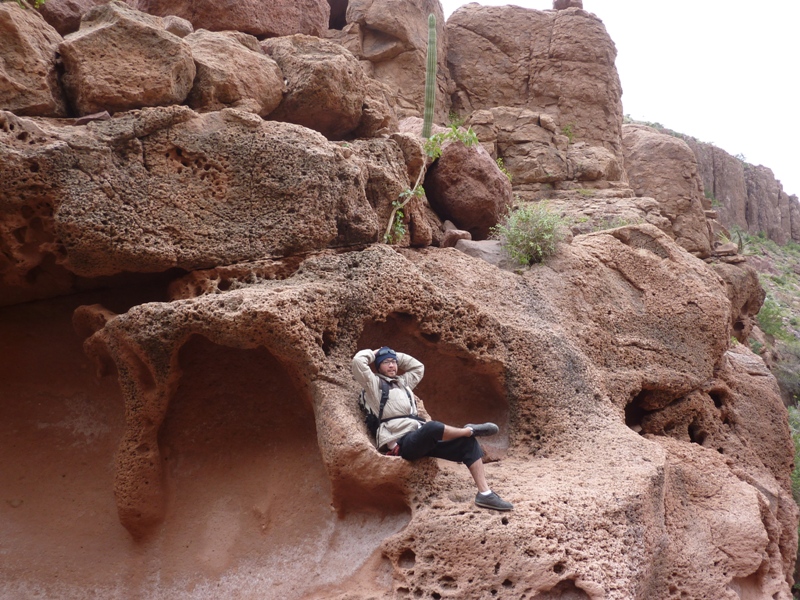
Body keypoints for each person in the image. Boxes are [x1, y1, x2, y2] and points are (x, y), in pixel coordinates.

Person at [351, 346, 513, 511]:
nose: (392, 365)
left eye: (394, 362)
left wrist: (393, 354)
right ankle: (468, 430)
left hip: (419, 437)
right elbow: (358, 361)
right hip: (401, 442)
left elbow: (418, 367)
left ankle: (485, 494)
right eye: (386, 363)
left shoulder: (403, 383)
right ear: (378, 366)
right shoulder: (373, 385)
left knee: (468, 443)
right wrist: (376, 353)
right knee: (432, 427)